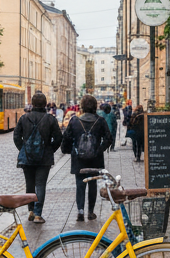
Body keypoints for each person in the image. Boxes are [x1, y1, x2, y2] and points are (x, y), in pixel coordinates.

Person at [61, 94, 112, 222]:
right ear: (95, 106)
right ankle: (91, 211)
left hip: (79, 159)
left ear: (82, 107)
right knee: (93, 183)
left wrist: (68, 150)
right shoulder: (100, 121)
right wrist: (99, 150)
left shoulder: (74, 121)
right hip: (95, 158)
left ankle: (80, 211)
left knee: (80, 184)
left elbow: (66, 138)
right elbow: (108, 138)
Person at [14, 92, 63, 224]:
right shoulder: (50, 119)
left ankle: (30, 210)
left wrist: (24, 149)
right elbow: (58, 138)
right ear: (45, 104)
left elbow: (16, 137)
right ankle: (37, 214)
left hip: (27, 158)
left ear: (32, 103)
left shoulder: (24, 118)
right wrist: (49, 149)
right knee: (40, 185)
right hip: (44, 158)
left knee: (29, 184)